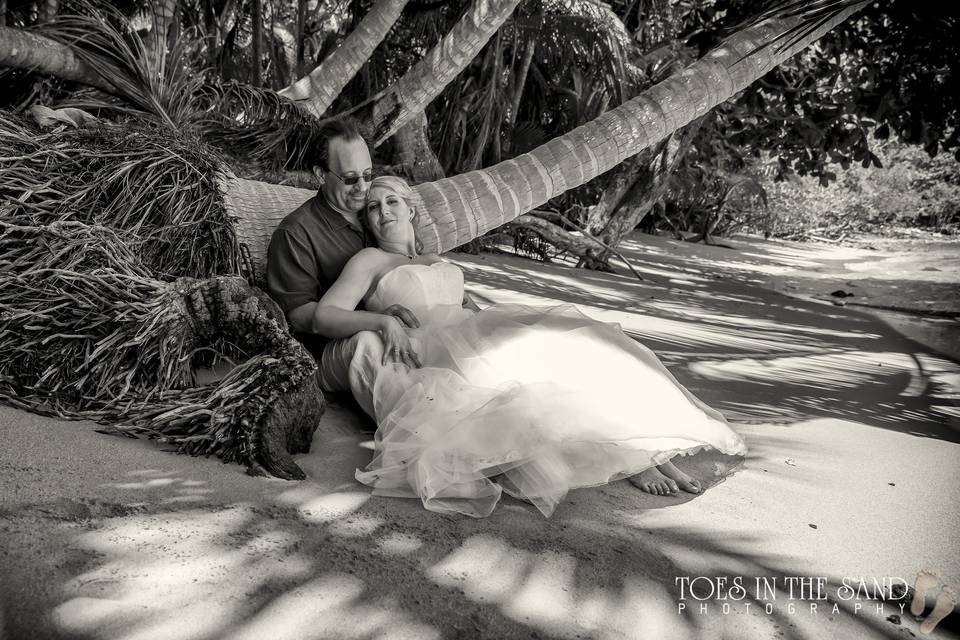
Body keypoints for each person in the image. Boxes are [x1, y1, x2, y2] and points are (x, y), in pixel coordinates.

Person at [311, 175, 748, 518]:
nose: (382, 211)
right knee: (530, 398)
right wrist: (382, 320)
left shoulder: (437, 258)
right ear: (366, 221)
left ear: (411, 209)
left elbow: (463, 304)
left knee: (565, 349)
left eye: (391, 202)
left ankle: (641, 451)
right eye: (372, 207)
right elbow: (325, 315)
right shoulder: (369, 261)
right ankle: (633, 460)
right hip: (429, 348)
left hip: (469, 332)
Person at [267, 119, 438, 417]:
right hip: (335, 349)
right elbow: (302, 317)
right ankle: (424, 425)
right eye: (349, 179)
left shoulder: (376, 211)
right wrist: (377, 319)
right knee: (371, 343)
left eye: (368, 175)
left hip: (398, 328)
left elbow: (412, 256)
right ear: (320, 174)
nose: (362, 188)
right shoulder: (296, 232)